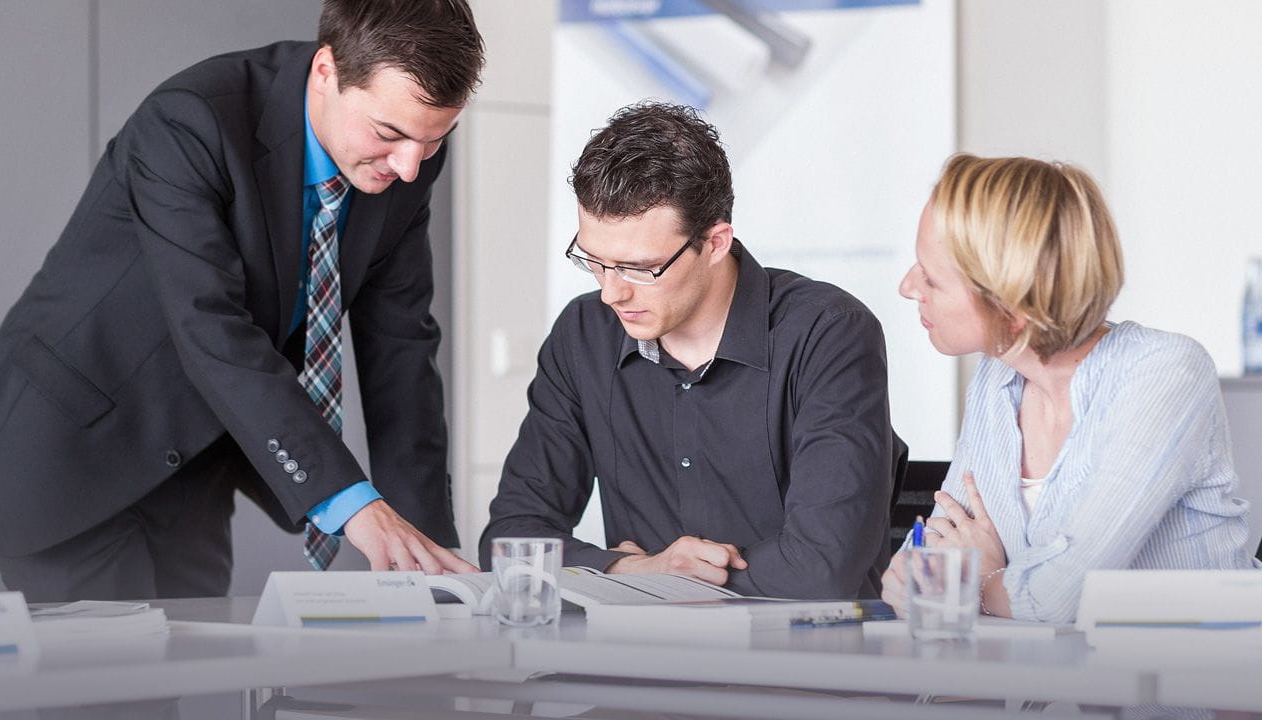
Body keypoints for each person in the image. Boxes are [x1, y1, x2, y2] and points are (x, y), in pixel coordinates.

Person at [0, 0, 484, 603]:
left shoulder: (410, 159)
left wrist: (428, 556)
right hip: (70, 455)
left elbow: (402, 351)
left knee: (194, 680)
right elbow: (211, 326)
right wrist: (352, 503)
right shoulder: (191, 122)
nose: (409, 167)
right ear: (326, 71)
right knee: (118, 693)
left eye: (434, 139)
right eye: (389, 134)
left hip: (193, 462)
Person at [481, 102, 905, 599]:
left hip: (800, 663)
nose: (611, 293)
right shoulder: (584, 334)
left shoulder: (827, 333)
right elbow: (510, 542)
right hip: (643, 663)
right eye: (594, 261)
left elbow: (821, 570)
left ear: (716, 242)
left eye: (640, 267)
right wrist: (634, 572)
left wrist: (674, 580)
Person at [882, 153, 1261, 624]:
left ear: (1011, 303)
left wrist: (978, 582)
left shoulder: (1164, 372)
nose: (907, 287)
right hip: (1048, 688)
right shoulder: (997, 375)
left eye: (931, 277)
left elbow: (1062, 595)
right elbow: (916, 569)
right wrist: (958, 582)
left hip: (1174, 692)